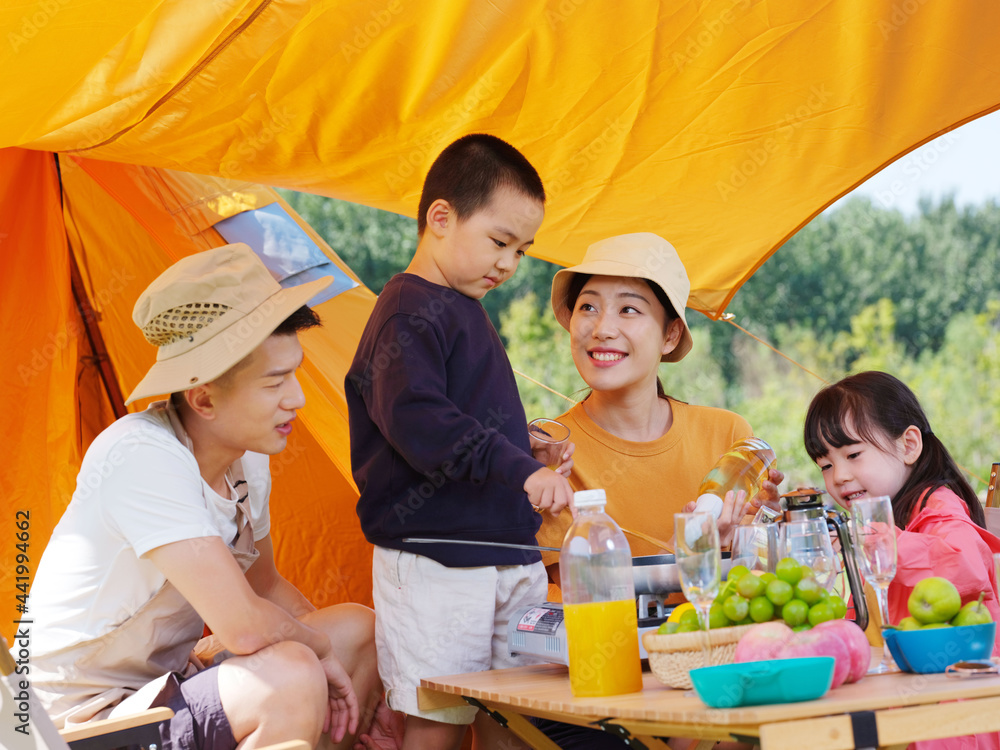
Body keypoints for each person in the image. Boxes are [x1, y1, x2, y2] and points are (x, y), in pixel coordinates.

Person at [25, 244, 399, 750]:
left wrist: (347, 676)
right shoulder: (140, 455)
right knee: (289, 675)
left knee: (355, 630)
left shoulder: (248, 459)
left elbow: (264, 589)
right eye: (274, 382)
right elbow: (244, 628)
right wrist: (317, 657)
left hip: (167, 690)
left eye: (295, 373)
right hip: (76, 723)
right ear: (203, 398)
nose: (298, 398)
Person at [345, 133, 575, 750]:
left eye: (522, 251)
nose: (509, 264)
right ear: (440, 218)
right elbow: (420, 423)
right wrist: (521, 473)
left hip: (508, 556)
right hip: (437, 562)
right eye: (500, 241)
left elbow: (466, 420)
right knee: (440, 727)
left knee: (519, 719)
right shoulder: (405, 312)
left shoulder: (464, 307)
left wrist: (526, 449)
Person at [536, 232, 784, 572]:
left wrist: (757, 535)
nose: (602, 328)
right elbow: (573, 598)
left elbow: (757, 578)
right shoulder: (551, 455)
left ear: (671, 335)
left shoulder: (727, 435)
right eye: (588, 306)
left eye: (628, 309)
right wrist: (689, 554)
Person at [804, 371, 1000, 633]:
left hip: (960, 668)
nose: (839, 477)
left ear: (908, 445)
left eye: (853, 454)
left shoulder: (938, 507)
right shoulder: (881, 520)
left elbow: (969, 567)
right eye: (826, 466)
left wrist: (876, 541)